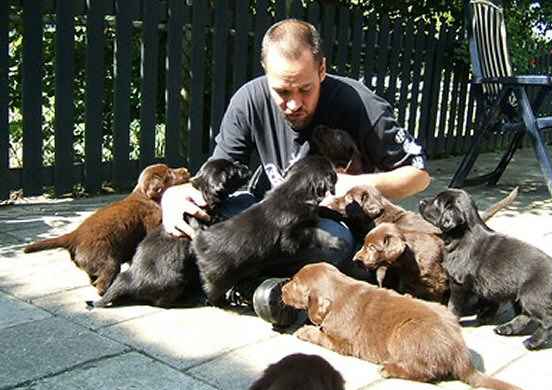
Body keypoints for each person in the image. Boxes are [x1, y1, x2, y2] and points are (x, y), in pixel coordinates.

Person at [161, 18, 431, 327]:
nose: (294, 103)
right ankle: (256, 286)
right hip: (271, 218)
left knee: (336, 243)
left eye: (305, 89)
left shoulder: (360, 103)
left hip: (328, 225)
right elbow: (214, 177)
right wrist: (174, 195)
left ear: (322, 70)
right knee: (200, 216)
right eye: (282, 91)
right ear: (265, 72)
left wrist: (354, 184)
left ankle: (238, 283)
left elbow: (419, 175)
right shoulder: (248, 100)